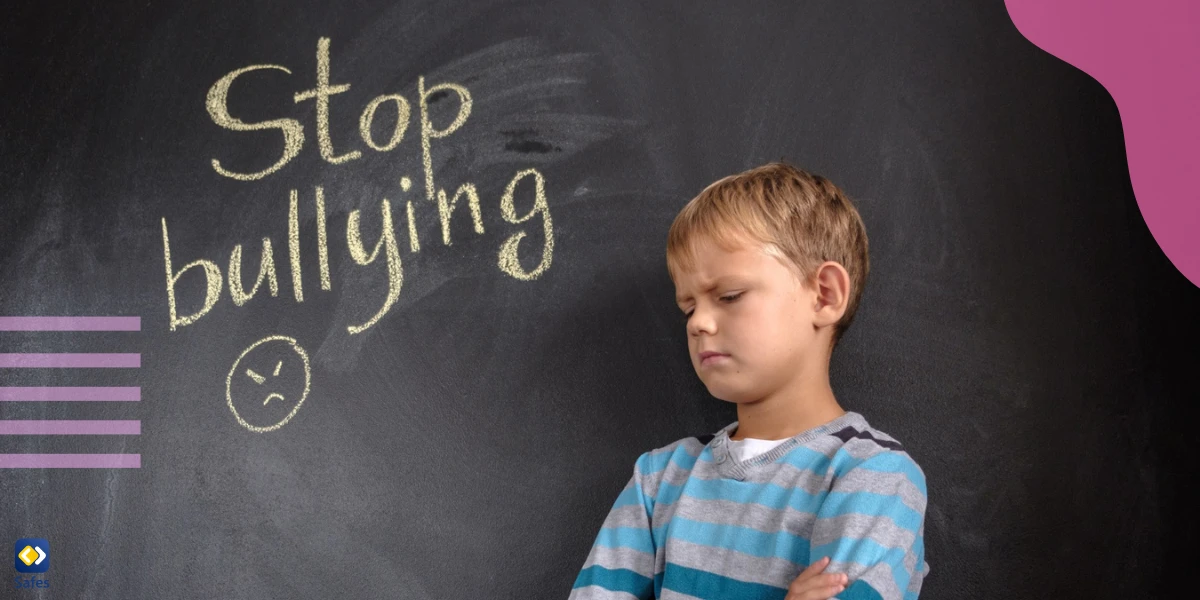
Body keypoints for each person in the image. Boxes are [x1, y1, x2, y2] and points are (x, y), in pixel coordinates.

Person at [568, 163, 929, 600]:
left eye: (730, 296)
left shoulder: (875, 476)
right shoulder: (659, 479)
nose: (699, 322)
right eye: (687, 307)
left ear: (825, 295)